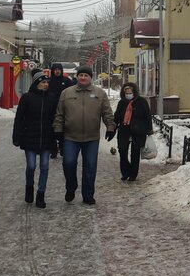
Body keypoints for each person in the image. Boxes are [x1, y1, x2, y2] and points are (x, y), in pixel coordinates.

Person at [53, 64, 115, 206]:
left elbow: (107, 112)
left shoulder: (100, 93)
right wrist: (58, 129)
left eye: (86, 75)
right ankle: (71, 186)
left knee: (90, 167)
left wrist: (110, 127)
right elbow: (59, 114)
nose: (83, 77)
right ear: (77, 77)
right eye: (80, 75)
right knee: (68, 163)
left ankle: (88, 195)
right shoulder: (66, 93)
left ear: (90, 78)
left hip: (92, 138)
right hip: (70, 137)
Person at [12, 70, 58, 209]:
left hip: (46, 138)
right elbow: (19, 118)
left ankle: (40, 194)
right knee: (31, 166)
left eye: (47, 82)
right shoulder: (27, 98)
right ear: (36, 83)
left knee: (44, 166)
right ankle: (29, 187)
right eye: (43, 82)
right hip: (30, 137)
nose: (45, 84)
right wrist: (17, 135)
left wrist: (56, 138)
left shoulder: (52, 98)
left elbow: (56, 118)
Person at [113, 82, 154, 182]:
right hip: (124, 130)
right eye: (126, 93)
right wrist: (112, 128)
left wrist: (149, 130)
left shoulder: (142, 102)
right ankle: (125, 172)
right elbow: (117, 116)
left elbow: (147, 116)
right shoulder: (122, 103)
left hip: (138, 131)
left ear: (134, 92)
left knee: (135, 153)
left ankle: (133, 174)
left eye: (130, 93)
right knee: (122, 151)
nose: (128, 94)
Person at [46, 63, 76, 159]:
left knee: (63, 130)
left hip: (64, 109)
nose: (57, 71)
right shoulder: (48, 81)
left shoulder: (66, 81)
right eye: (55, 69)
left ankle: (63, 149)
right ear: (52, 71)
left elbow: (72, 94)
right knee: (51, 130)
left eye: (59, 69)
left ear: (61, 70)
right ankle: (53, 150)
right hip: (50, 109)